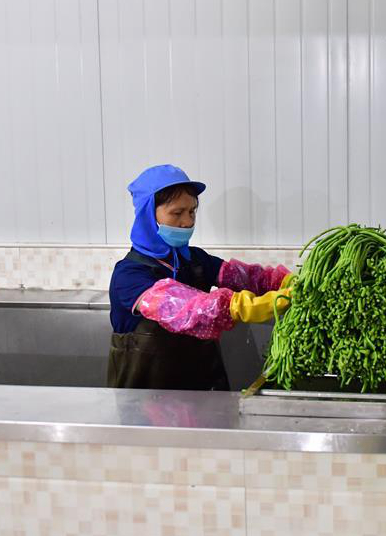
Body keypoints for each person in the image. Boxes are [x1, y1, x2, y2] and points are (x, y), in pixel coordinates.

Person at [108, 164, 292, 391]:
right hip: (145, 405)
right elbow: (184, 307)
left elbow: (249, 278)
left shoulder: (195, 259)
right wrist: (238, 306)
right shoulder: (129, 276)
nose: (187, 222)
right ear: (148, 215)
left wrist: (284, 282)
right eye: (177, 213)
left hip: (201, 393)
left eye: (192, 211)